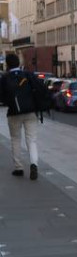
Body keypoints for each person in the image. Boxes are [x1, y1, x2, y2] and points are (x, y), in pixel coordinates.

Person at [0, 52, 47, 180]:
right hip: (30, 112)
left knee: (15, 139)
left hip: (14, 113)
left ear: (7, 65)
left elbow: (2, 97)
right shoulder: (28, 75)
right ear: (19, 63)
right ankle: (34, 164)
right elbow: (39, 89)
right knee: (31, 140)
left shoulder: (4, 78)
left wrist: (10, 102)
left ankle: (18, 168)